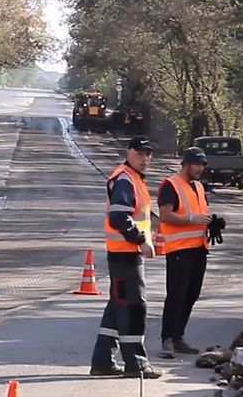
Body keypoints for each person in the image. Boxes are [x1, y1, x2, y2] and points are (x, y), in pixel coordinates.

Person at [90, 135, 161, 379]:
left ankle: (102, 362)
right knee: (133, 307)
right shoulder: (125, 178)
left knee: (117, 308)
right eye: (140, 153)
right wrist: (140, 241)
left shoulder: (133, 179)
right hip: (125, 257)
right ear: (129, 152)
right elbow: (119, 218)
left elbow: (137, 214)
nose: (145, 158)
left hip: (123, 257)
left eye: (148, 154)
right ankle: (136, 364)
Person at [155, 146, 213, 358]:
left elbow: (201, 213)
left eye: (202, 165)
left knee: (191, 294)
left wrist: (212, 223)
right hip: (179, 250)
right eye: (197, 164)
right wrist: (191, 220)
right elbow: (165, 215)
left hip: (199, 248)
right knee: (176, 295)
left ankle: (179, 336)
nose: (200, 168)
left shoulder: (198, 187)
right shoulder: (170, 185)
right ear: (186, 164)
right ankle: (167, 340)